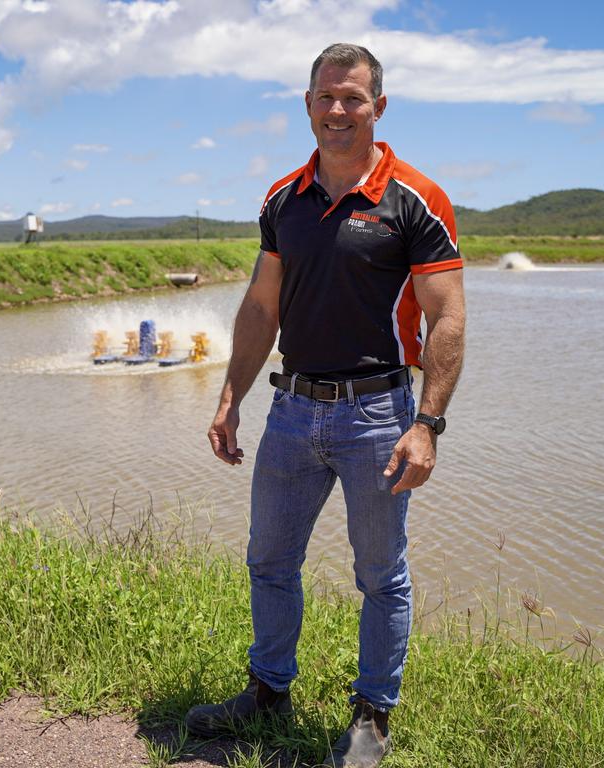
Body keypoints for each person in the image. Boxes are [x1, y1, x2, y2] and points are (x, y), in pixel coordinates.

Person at [184, 43, 466, 768]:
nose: (338, 111)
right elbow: (260, 305)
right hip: (291, 411)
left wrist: (426, 425)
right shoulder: (283, 198)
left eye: (354, 99)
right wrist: (228, 397)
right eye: (326, 97)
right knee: (270, 559)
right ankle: (268, 690)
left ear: (379, 107)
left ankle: (372, 714)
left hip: (378, 415)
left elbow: (448, 318)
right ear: (308, 103)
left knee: (380, 573)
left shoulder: (417, 198)